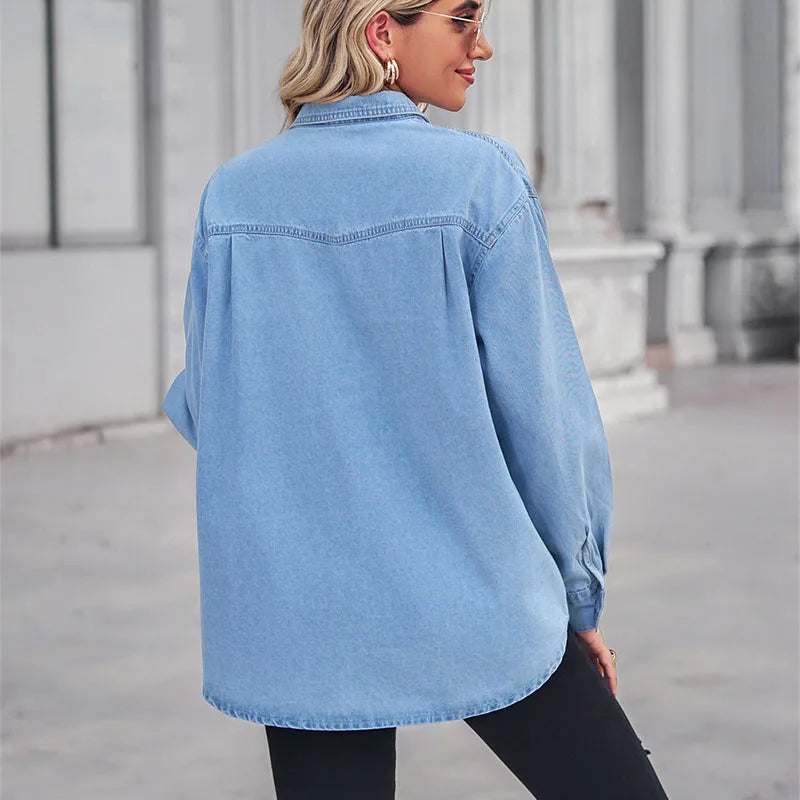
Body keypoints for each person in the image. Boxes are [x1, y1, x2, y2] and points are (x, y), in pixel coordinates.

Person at [161, 1, 670, 797]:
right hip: (475, 587)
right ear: (380, 32)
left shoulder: (233, 194)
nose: (482, 45)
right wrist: (579, 597)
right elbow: (545, 419)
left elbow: (206, 403)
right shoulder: (477, 180)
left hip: (304, 613)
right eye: (462, 19)